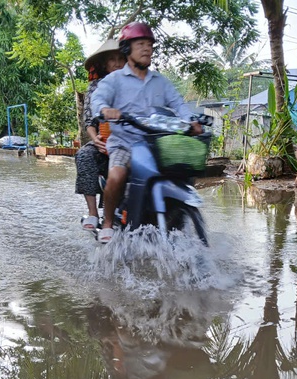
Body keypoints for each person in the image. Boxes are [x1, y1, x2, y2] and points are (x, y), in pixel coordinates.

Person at [91, 22, 202, 244]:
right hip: (124, 142)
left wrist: (192, 121)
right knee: (117, 174)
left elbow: (178, 104)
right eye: (140, 44)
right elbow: (98, 99)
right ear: (126, 49)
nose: (147, 49)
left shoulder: (160, 81)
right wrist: (105, 110)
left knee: (182, 170)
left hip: (156, 143)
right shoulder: (114, 80)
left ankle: (175, 218)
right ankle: (107, 222)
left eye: (150, 44)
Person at [74, 40, 126, 232]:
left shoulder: (134, 82)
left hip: (130, 140)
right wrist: (95, 139)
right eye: (112, 60)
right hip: (103, 141)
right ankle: (93, 213)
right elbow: (90, 121)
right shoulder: (96, 86)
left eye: (121, 59)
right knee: (84, 156)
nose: (117, 64)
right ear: (105, 64)